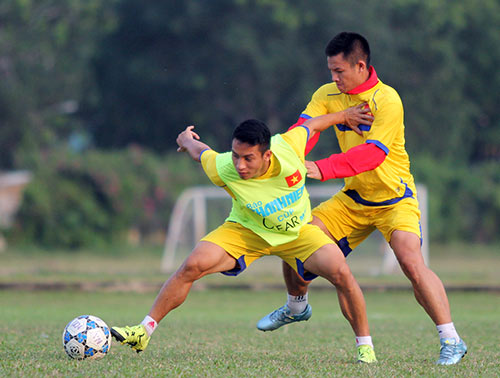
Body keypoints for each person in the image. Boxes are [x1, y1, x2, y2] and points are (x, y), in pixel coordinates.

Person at [256, 32, 467, 366]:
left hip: (394, 200)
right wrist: (283, 159)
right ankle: (296, 306)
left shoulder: (387, 100)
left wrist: (320, 169)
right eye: (330, 71)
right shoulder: (326, 94)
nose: (333, 78)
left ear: (360, 65)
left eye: (339, 71)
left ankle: (451, 340)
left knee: (411, 262)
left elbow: (374, 155)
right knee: (295, 234)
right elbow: (305, 130)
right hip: (353, 200)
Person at [111, 110, 379, 363]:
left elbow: (311, 125)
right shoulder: (224, 166)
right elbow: (200, 151)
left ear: (267, 155)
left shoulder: (289, 147)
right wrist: (184, 139)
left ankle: (365, 348)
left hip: (297, 233)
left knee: (342, 273)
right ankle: (143, 332)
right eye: (236, 155)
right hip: (246, 231)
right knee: (191, 265)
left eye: (248, 158)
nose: (239, 164)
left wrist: (345, 116)